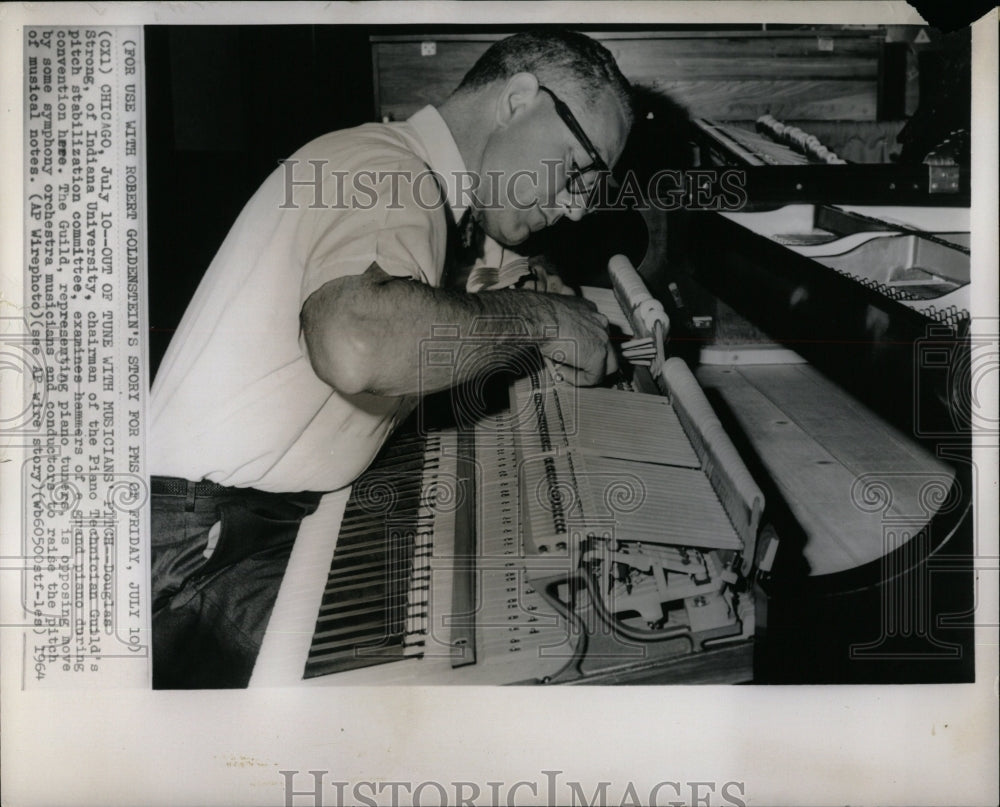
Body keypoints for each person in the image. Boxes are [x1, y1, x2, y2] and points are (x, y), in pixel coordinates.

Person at [148, 30, 634, 687]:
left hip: (241, 524)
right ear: (520, 99)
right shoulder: (392, 173)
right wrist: (544, 322)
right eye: (579, 169)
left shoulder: (396, 168)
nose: (577, 206)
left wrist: (531, 294)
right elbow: (359, 342)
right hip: (202, 554)